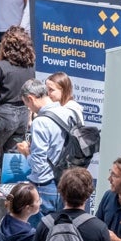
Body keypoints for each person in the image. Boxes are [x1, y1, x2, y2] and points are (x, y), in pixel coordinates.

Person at [16, 78, 72, 215]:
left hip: (44, 185)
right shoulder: (67, 113)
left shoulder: (40, 122)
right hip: (64, 181)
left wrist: (26, 153)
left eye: (27, 105)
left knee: (39, 233)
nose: (29, 109)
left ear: (30, 98)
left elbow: (38, 164)